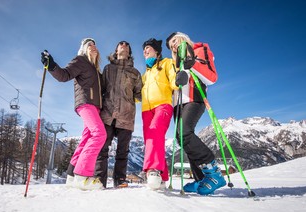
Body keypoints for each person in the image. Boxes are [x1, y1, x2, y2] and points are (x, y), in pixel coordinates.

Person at [41, 38, 106, 190]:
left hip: (95, 107)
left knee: (87, 138)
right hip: (86, 104)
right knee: (99, 134)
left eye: (95, 45)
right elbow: (64, 75)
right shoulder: (81, 61)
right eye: (90, 45)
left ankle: (71, 175)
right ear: (84, 49)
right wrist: (51, 65)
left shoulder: (95, 69)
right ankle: (83, 175)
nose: (94, 47)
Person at [166, 32, 226, 195]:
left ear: (184, 38)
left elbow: (212, 77)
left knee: (185, 133)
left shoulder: (200, 49)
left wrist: (190, 63)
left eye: (175, 40)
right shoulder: (173, 63)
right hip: (178, 103)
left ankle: (213, 173)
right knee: (181, 137)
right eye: (171, 45)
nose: (174, 45)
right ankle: (200, 179)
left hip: (194, 98)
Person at [95, 41, 142, 188]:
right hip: (107, 114)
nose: (124, 45)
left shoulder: (135, 73)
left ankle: (120, 179)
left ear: (129, 52)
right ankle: (99, 180)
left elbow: (140, 94)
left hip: (126, 116)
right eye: (120, 44)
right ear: (116, 50)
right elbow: (100, 89)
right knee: (102, 148)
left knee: (123, 150)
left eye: (127, 45)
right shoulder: (108, 69)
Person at [141, 38, 178, 190]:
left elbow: (174, 80)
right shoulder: (145, 74)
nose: (145, 51)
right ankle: (162, 177)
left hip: (163, 105)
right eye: (144, 49)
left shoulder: (166, 63)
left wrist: (179, 80)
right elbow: (138, 95)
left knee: (155, 131)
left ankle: (153, 170)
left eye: (148, 48)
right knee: (151, 140)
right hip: (146, 110)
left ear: (157, 51)